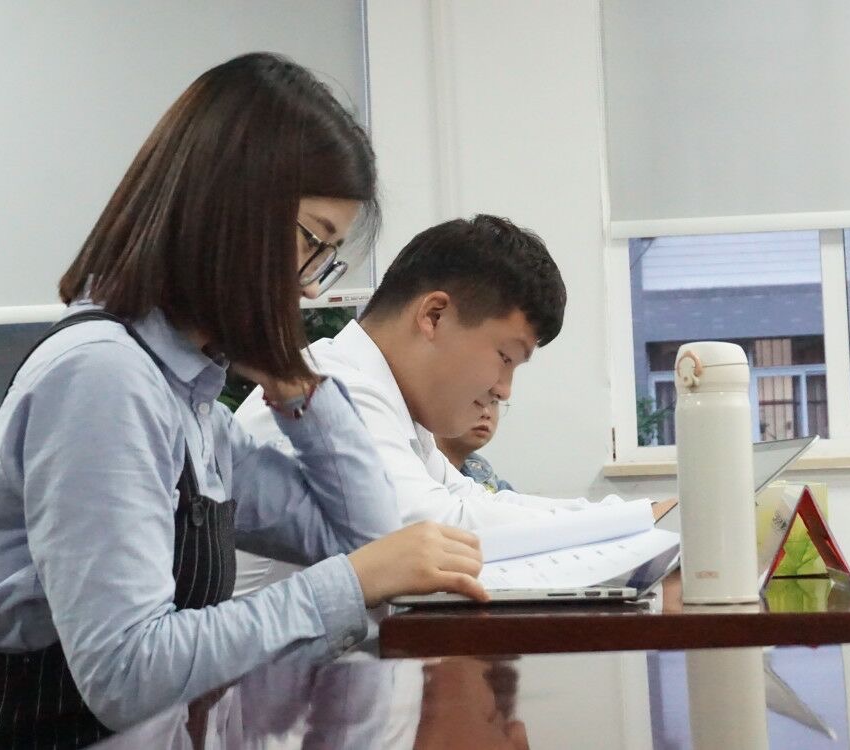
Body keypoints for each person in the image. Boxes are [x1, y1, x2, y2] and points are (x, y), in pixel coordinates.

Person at [0, 52, 486, 749]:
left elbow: (373, 541)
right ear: (230, 210)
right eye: (311, 240)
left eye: (325, 257)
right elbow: (126, 674)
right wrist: (348, 584)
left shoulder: (186, 399)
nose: (308, 285)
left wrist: (297, 387)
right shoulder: (103, 378)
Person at [234, 216, 625, 595]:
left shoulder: (396, 402)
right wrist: (613, 527)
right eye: (505, 357)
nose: (504, 390)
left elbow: (472, 500)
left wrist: (618, 519)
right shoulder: (335, 388)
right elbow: (436, 531)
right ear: (434, 316)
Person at [435, 398, 514, 493]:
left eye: (494, 401)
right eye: (475, 399)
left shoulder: (484, 473)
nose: (486, 413)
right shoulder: (420, 471)